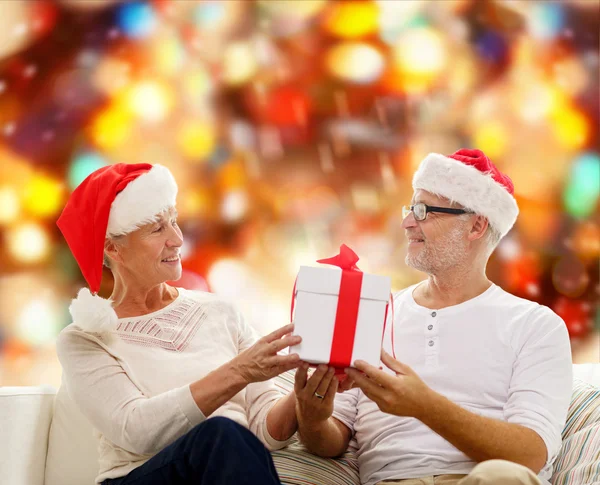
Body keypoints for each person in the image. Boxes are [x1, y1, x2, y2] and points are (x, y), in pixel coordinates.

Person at [294, 149, 573, 485]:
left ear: (476, 226)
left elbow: (529, 455)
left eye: (424, 210)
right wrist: (312, 420)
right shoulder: (374, 311)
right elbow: (331, 439)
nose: (407, 221)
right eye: (410, 209)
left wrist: (424, 405)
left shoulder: (535, 325)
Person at [56, 163, 301, 485]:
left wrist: (305, 394)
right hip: (139, 478)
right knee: (221, 434)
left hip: (224, 471)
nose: (177, 238)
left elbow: (267, 432)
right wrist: (238, 371)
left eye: (173, 220)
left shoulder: (220, 310)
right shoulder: (85, 339)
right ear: (112, 247)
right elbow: (136, 430)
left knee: (226, 438)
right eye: (157, 229)